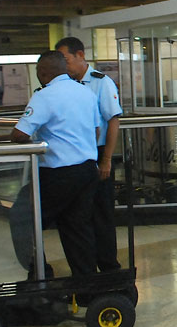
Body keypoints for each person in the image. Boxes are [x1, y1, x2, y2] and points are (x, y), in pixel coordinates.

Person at [11, 51, 101, 277]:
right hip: (88, 170)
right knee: (76, 227)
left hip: (58, 174)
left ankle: (39, 274)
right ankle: (87, 285)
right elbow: (97, 129)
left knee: (22, 216)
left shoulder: (44, 96)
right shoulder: (86, 92)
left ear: (42, 73)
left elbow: (20, 134)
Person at [55, 37, 123, 272]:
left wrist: (106, 160)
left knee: (101, 213)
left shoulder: (100, 83)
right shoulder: (65, 85)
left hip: (97, 153)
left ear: (80, 55)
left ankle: (108, 267)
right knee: (77, 216)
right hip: (74, 158)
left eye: (66, 59)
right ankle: (85, 270)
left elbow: (113, 121)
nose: (64, 65)